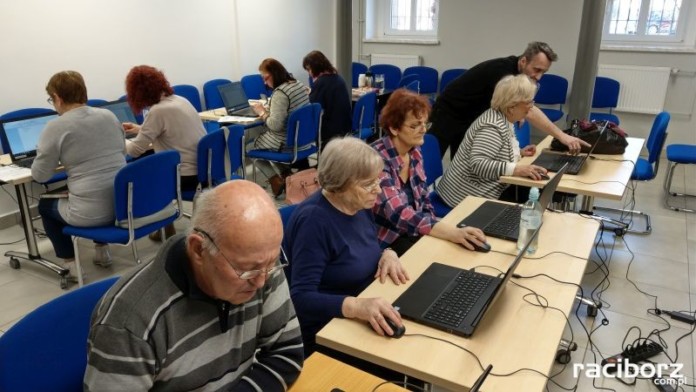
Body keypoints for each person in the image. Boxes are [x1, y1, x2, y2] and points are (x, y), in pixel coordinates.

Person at [84, 180, 304, 391]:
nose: (261, 281)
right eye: (247, 269)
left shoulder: (260, 264)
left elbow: (287, 352)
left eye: (272, 261)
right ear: (199, 249)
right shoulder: (129, 323)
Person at [285, 137, 410, 357]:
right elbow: (301, 298)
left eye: (377, 181)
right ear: (339, 185)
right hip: (329, 329)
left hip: (366, 306)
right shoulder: (314, 222)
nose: (378, 190)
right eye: (368, 184)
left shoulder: (357, 204)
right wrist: (356, 307)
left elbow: (361, 245)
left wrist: (387, 253)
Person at [32, 70, 126, 276]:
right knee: (92, 188)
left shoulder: (55, 126)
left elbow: (40, 176)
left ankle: (70, 263)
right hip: (123, 204)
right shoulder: (108, 115)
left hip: (90, 213)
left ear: (57, 97)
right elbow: (122, 152)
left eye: (51, 99)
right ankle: (102, 251)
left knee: (45, 205)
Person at [371, 89, 487, 256]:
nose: (423, 129)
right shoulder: (376, 160)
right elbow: (397, 213)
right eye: (415, 125)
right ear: (394, 128)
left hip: (413, 230)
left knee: (455, 251)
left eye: (425, 123)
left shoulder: (414, 150)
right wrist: (445, 231)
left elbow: (424, 198)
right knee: (440, 257)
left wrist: (434, 229)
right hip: (387, 241)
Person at [429, 41, 589, 159]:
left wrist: (516, 113)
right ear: (523, 61)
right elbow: (530, 110)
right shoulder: (504, 72)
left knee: (462, 160)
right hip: (448, 111)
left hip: (470, 116)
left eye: (543, 72)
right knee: (429, 161)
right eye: (537, 70)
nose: (539, 77)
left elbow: (523, 106)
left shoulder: (520, 73)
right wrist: (562, 136)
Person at [436, 75, 548, 207]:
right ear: (512, 106)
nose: (531, 107)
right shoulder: (492, 127)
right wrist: (517, 169)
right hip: (464, 196)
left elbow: (495, 150)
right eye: (529, 102)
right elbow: (478, 164)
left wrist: (519, 153)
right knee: (529, 205)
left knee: (530, 195)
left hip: (481, 189)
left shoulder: (503, 117)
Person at [122, 65, 206, 240]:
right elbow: (170, 130)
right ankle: (165, 226)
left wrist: (117, 140)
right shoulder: (180, 100)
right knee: (159, 166)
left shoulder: (158, 111)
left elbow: (135, 150)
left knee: (141, 175)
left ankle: (161, 223)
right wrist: (140, 129)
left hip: (185, 177)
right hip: (202, 171)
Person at [250, 58, 310, 196]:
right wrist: (272, 111)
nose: (265, 83)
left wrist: (262, 112)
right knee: (265, 144)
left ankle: (275, 180)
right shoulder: (297, 84)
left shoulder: (280, 93)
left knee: (250, 147)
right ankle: (287, 176)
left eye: (266, 78)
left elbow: (275, 126)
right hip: (303, 140)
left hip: (287, 143)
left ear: (274, 73)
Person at [302, 50, 352, 147]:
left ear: (316, 67)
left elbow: (313, 107)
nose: (308, 73)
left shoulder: (321, 82)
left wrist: (310, 93)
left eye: (309, 69)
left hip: (330, 131)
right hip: (344, 126)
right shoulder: (337, 77)